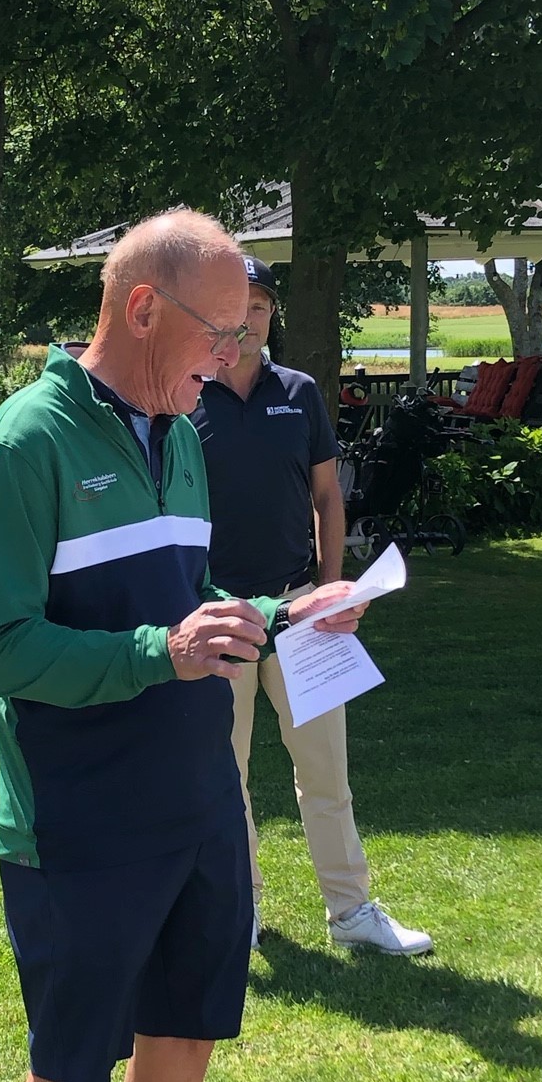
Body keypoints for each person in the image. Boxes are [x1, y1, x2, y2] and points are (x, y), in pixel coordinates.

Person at [0, 209, 371, 1082]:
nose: (235, 358)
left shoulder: (181, 434)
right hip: (81, 824)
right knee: (70, 1081)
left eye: (245, 334)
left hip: (197, 804)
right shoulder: (24, 443)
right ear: (143, 309)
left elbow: (186, 603)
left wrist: (284, 612)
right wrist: (158, 651)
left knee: (182, 1047)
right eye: (221, 331)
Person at [191, 255, 432, 957]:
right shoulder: (186, 398)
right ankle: (241, 909)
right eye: (236, 306)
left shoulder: (299, 393)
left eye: (260, 306)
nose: (247, 319)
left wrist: (330, 592)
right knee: (225, 775)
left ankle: (351, 910)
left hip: (301, 608)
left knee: (326, 770)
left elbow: (327, 497)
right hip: (221, 615)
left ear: (272, 316)